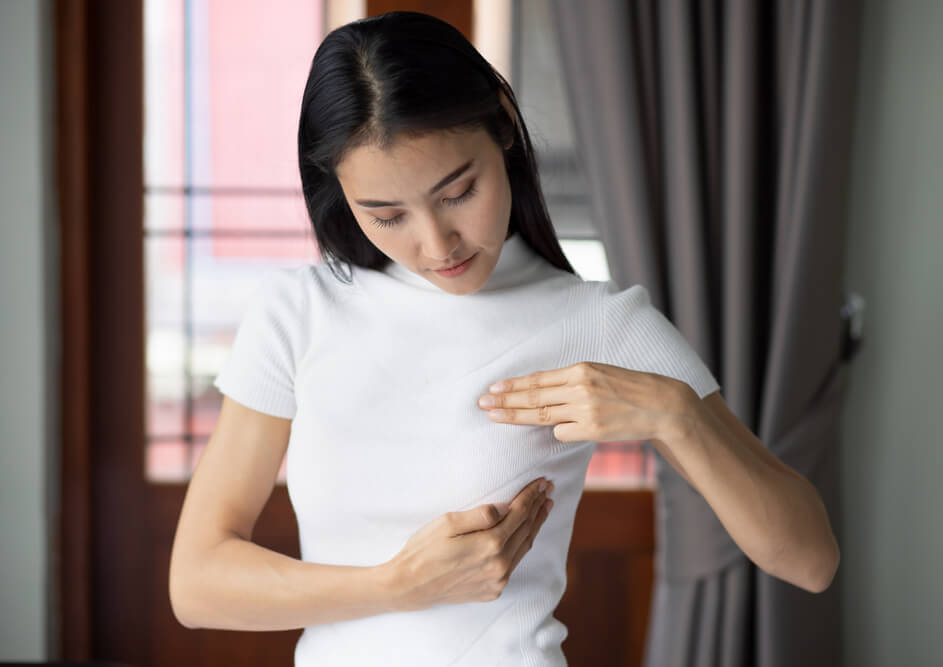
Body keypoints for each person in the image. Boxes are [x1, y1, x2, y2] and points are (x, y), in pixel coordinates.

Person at [168, 10, 840, 666]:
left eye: (458, 191)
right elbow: (197, 583)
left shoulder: (598, 321)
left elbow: (809, 558)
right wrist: (399, 583)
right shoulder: (298, 313)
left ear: (505, 124)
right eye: (387, 214)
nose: (435, 244)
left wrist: (680, 416)